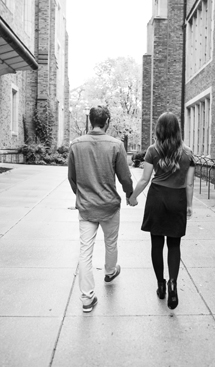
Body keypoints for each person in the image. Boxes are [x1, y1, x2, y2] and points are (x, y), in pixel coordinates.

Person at [67, 106, 134, 313]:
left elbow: (72, 177)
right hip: (109, 206)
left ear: (90, 122)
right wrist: (130, 195)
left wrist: (82, 195)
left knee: (85, 251)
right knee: (110, 243)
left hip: (87, 207)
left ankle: (87, 298)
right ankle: (110, 271)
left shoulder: (76, 145)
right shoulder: (116, 145)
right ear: (107, 122)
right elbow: (125, 177)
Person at [128, 112, 195, 310]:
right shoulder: (188, 153)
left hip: (157, 198)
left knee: (156, 245)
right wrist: (189, 205)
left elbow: (144, 179)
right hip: (178, 199)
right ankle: (173, 283)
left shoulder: (152, 150)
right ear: (178, 130)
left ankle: (161, 284)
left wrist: (133, 197)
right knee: (174, 245)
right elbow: (189, 183)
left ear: (159, 129)